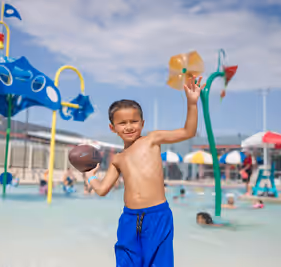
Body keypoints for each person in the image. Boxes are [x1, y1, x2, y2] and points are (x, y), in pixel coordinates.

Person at [85, 76, 204, 267]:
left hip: (157, 216)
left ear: (142, 122)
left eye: (134, 121)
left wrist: (192, 103)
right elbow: (102, 189)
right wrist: (90, 176)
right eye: (122, 123)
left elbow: (187, 132)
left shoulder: (152, 140)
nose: (129, 126)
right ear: (112, 127)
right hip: (129, 219)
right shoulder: (118, 159)